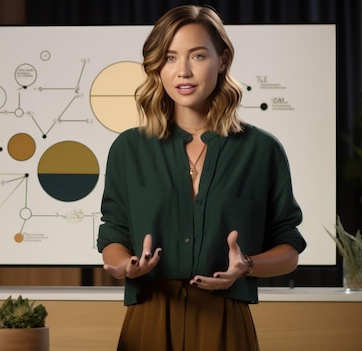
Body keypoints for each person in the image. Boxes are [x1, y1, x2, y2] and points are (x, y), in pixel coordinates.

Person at [97, 4, 307, 351]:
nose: (183, 71)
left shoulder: (262, 150)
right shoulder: (128, 149)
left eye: (197, 56)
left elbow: (289, 249)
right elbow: (113, 235)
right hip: (149, 319)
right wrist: (126, 267)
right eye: (169, 58)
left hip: (226, 321)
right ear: (156, 67)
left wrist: (248, 266)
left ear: (222, 60)